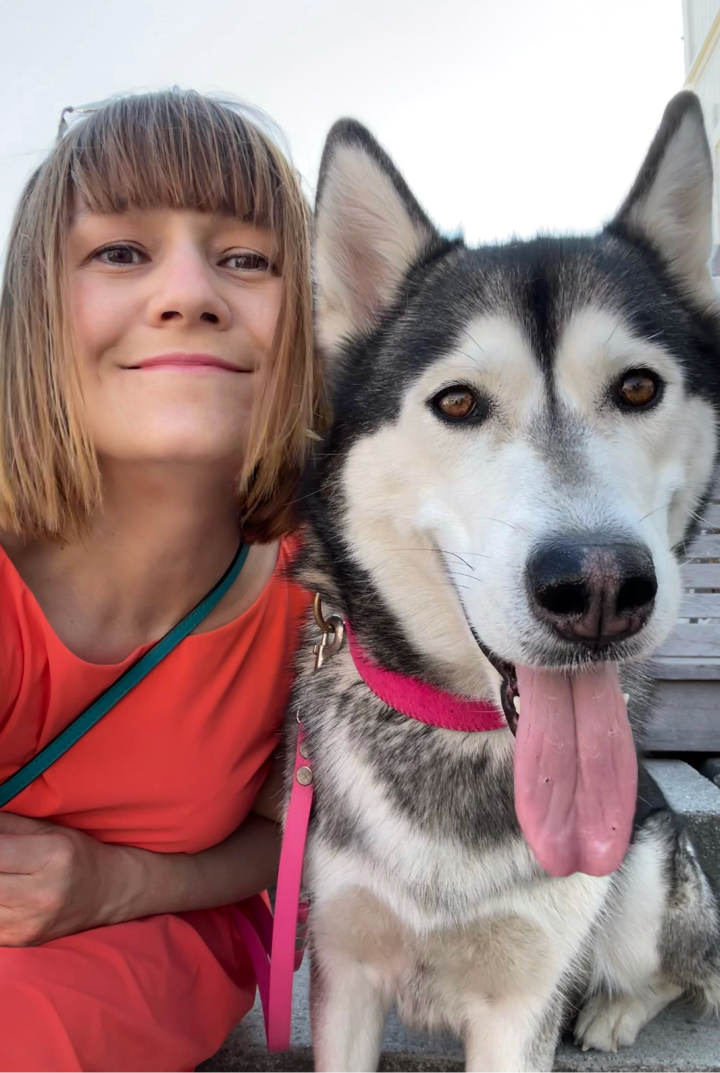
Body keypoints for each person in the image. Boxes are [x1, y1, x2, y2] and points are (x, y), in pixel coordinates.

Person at [0, 89, 320, 1073]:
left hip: (166, 926)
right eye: (120, 253)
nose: (188, 293)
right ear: (38, 310)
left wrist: (110, 882)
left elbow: (300, 838)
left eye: (246, 258)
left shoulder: (340, 588)